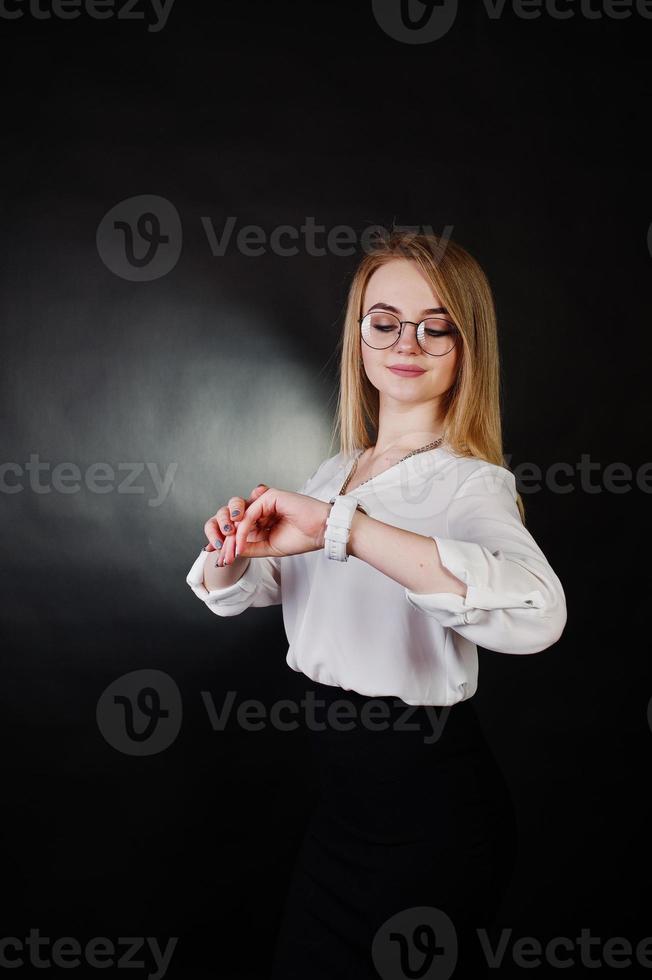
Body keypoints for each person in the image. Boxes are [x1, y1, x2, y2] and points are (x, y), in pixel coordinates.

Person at [185, 230, 567, 978]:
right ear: (359, 333)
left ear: (467, 344)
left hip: (428, 811)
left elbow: (538, 613)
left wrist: (343, 529)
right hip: (342, 807)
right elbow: (259, 593)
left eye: (437, 325)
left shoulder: (469, 483)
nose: (408, 343)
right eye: (384, 320)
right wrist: (235, 550)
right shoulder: (335, 470)